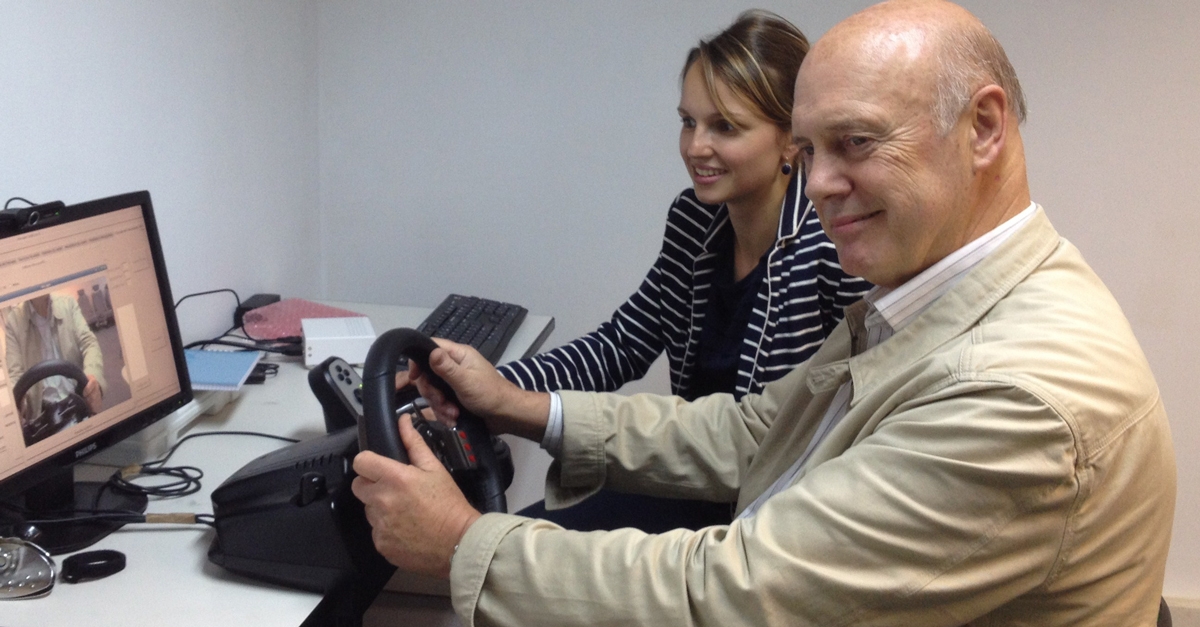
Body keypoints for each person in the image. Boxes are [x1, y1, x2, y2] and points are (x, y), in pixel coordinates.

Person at [353, 1, 1176, 624]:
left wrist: (467, 549)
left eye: (855, 143)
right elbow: (751, 431)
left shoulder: (1012, 398)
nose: (817, 185)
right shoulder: (921, 293)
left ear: (984, 127)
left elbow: (737, 592)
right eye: (813, 152)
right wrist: (512, 400)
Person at [499, 10, 870, 531]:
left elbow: (851, 431)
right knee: (512, 542)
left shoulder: (831, 248)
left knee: (525, 560)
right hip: (693, 477)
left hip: (773, 512)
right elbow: (620, 344)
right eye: (688, 121)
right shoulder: (695, 218)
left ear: (791, 139)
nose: (696, 147)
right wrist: (494, 387)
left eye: (725, 126)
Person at [4, 293, 106, 437]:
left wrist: (93, 379)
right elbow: (15, 374)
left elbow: (89, 343)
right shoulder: (14, 322)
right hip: (42, 419)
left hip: (78, 401)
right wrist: (18, 406)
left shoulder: (68, 304)